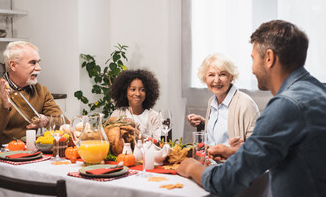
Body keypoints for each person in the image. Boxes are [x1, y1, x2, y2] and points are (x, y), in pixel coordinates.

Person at [177, 20, 326, 197]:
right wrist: (238, 151)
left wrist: (192, 167)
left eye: (253, 58)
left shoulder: (285, 106)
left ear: (269, 58)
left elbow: (226, 181)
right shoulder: (318, 91)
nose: (253, 69)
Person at [0, 41, 63, 148]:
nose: (39, 68)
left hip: (27, 153)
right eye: (32, 62)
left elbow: (63, 124)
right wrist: (4, 108)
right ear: (13, 65)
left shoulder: (41, 90)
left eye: (38, 62)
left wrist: (46, 121)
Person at [187, 53, 260, 159]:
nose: (216, 80)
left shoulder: (245, 103)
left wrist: (235, 149)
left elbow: (257, 146)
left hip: (231, 166)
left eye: (222, 74)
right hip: (211, 162)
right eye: (211, 75)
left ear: (231, 77)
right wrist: (203, 123)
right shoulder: (212, 101)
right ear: (205, 78)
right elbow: (217, 136)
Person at [110, 69, 161, 140]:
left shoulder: (154, 116)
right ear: (125, 92)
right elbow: (111, 139)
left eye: (142, 90)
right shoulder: (117, 115)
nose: (137, 94)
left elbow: (157, 143)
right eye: (133, 89)